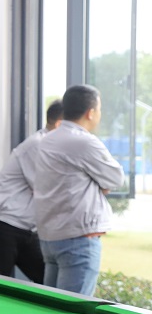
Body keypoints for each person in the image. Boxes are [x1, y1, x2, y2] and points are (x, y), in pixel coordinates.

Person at [34, 85, 125, 296]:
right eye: (99, 109)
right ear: (90, 113)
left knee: (52, 306)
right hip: (77, 239)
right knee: (73, 309)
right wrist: (96, 182)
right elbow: (116, 178)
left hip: (50, 238)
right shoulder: (84, 142)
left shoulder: (48, 140)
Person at [0, 100, 63, 281]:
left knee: (50, 283)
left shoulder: (52, 149)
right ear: (59, 124)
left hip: (26, 228)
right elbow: (47, 190)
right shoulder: (38, 145)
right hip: (2, 224)